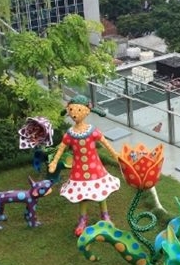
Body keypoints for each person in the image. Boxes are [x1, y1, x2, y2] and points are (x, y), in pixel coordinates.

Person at [48, 95, 125, 235]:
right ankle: (83, 219)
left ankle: (105, 215)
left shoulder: (92, 131)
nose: (74, 113)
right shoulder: (70, 134)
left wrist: (115, 155)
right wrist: (54, 162)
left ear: (86, 111)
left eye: (78, 110)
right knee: (81, 194)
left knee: (100, 191)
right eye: (71, 110)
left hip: (95, 168)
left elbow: (105, 143)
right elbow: (61, 148)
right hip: (78, 171)